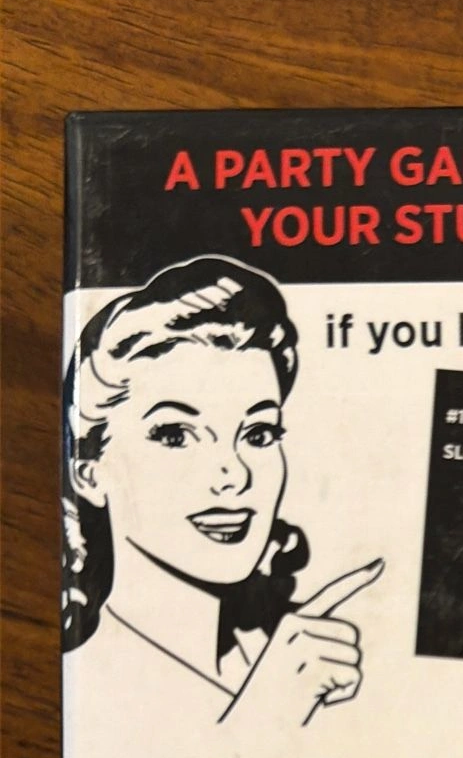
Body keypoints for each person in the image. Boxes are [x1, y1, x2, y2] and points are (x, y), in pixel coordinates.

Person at [62, 255, 381, 726]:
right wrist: (267, 719)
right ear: (91, 474)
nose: (233, 474)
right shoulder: (87, 691)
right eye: (175, 435)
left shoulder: (300, 656)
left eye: (258, 434)